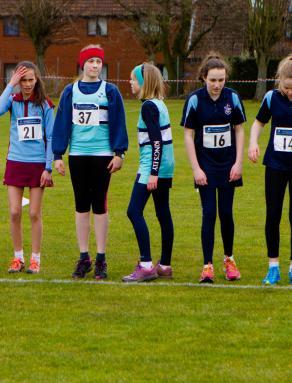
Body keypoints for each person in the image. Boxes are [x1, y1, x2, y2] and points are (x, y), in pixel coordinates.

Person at [52, 44, 128, 280]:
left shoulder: (111, 91)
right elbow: (62, 123)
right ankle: (84, 257)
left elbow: (118, 122)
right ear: (82, 64)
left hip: (102, 155)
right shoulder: (70, 91)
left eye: (98, 62)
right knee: (81, 205)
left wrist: (119, 153)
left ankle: (101, 258)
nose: (95, 66)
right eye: (90, 61)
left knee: (100, 205)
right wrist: (58, 155)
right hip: (78, 155)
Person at [181, 52, 245, 283]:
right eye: (213, 80)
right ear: (204, 78)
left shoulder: (233, 98)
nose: (217, 85)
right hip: (205, 167)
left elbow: (239, 129)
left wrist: (238, 163)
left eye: (221, 80)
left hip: (228, 166)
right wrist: (196, 169)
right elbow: (188, 136)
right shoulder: (195, 100)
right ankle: (207, 265)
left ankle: (229, 260)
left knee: (226, 213)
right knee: (209, 213)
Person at [0, 61, 54, 274]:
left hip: (38, 165)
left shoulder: (46, 105)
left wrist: (48, 168)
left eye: (31, 80)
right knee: (14, 212)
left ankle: (35, 259)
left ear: (37, 80)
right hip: (15, 162)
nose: (27, 84)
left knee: (34, 214)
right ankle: (17, 257)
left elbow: (51, 137)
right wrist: (10, 84)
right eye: (23, 80)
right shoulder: (12, 100)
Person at [122, 63, 175, 282]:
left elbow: (156, 141)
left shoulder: (148, 107)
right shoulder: (159, 103)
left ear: (144, 83)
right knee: (163, 213)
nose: (130, 83)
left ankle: (146, 264)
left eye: (133, 79)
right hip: (165, 166)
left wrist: (153, 172)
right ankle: (165, 265)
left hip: (153, 167)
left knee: (133, 211)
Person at [248, 55, 292, 285]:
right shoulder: (271, 98)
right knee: (273, 215)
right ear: (280, 81)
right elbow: (258, 123)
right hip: (275, 165)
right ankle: (273, 266)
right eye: (287, 87)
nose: (291, 92)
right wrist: (253, 142)